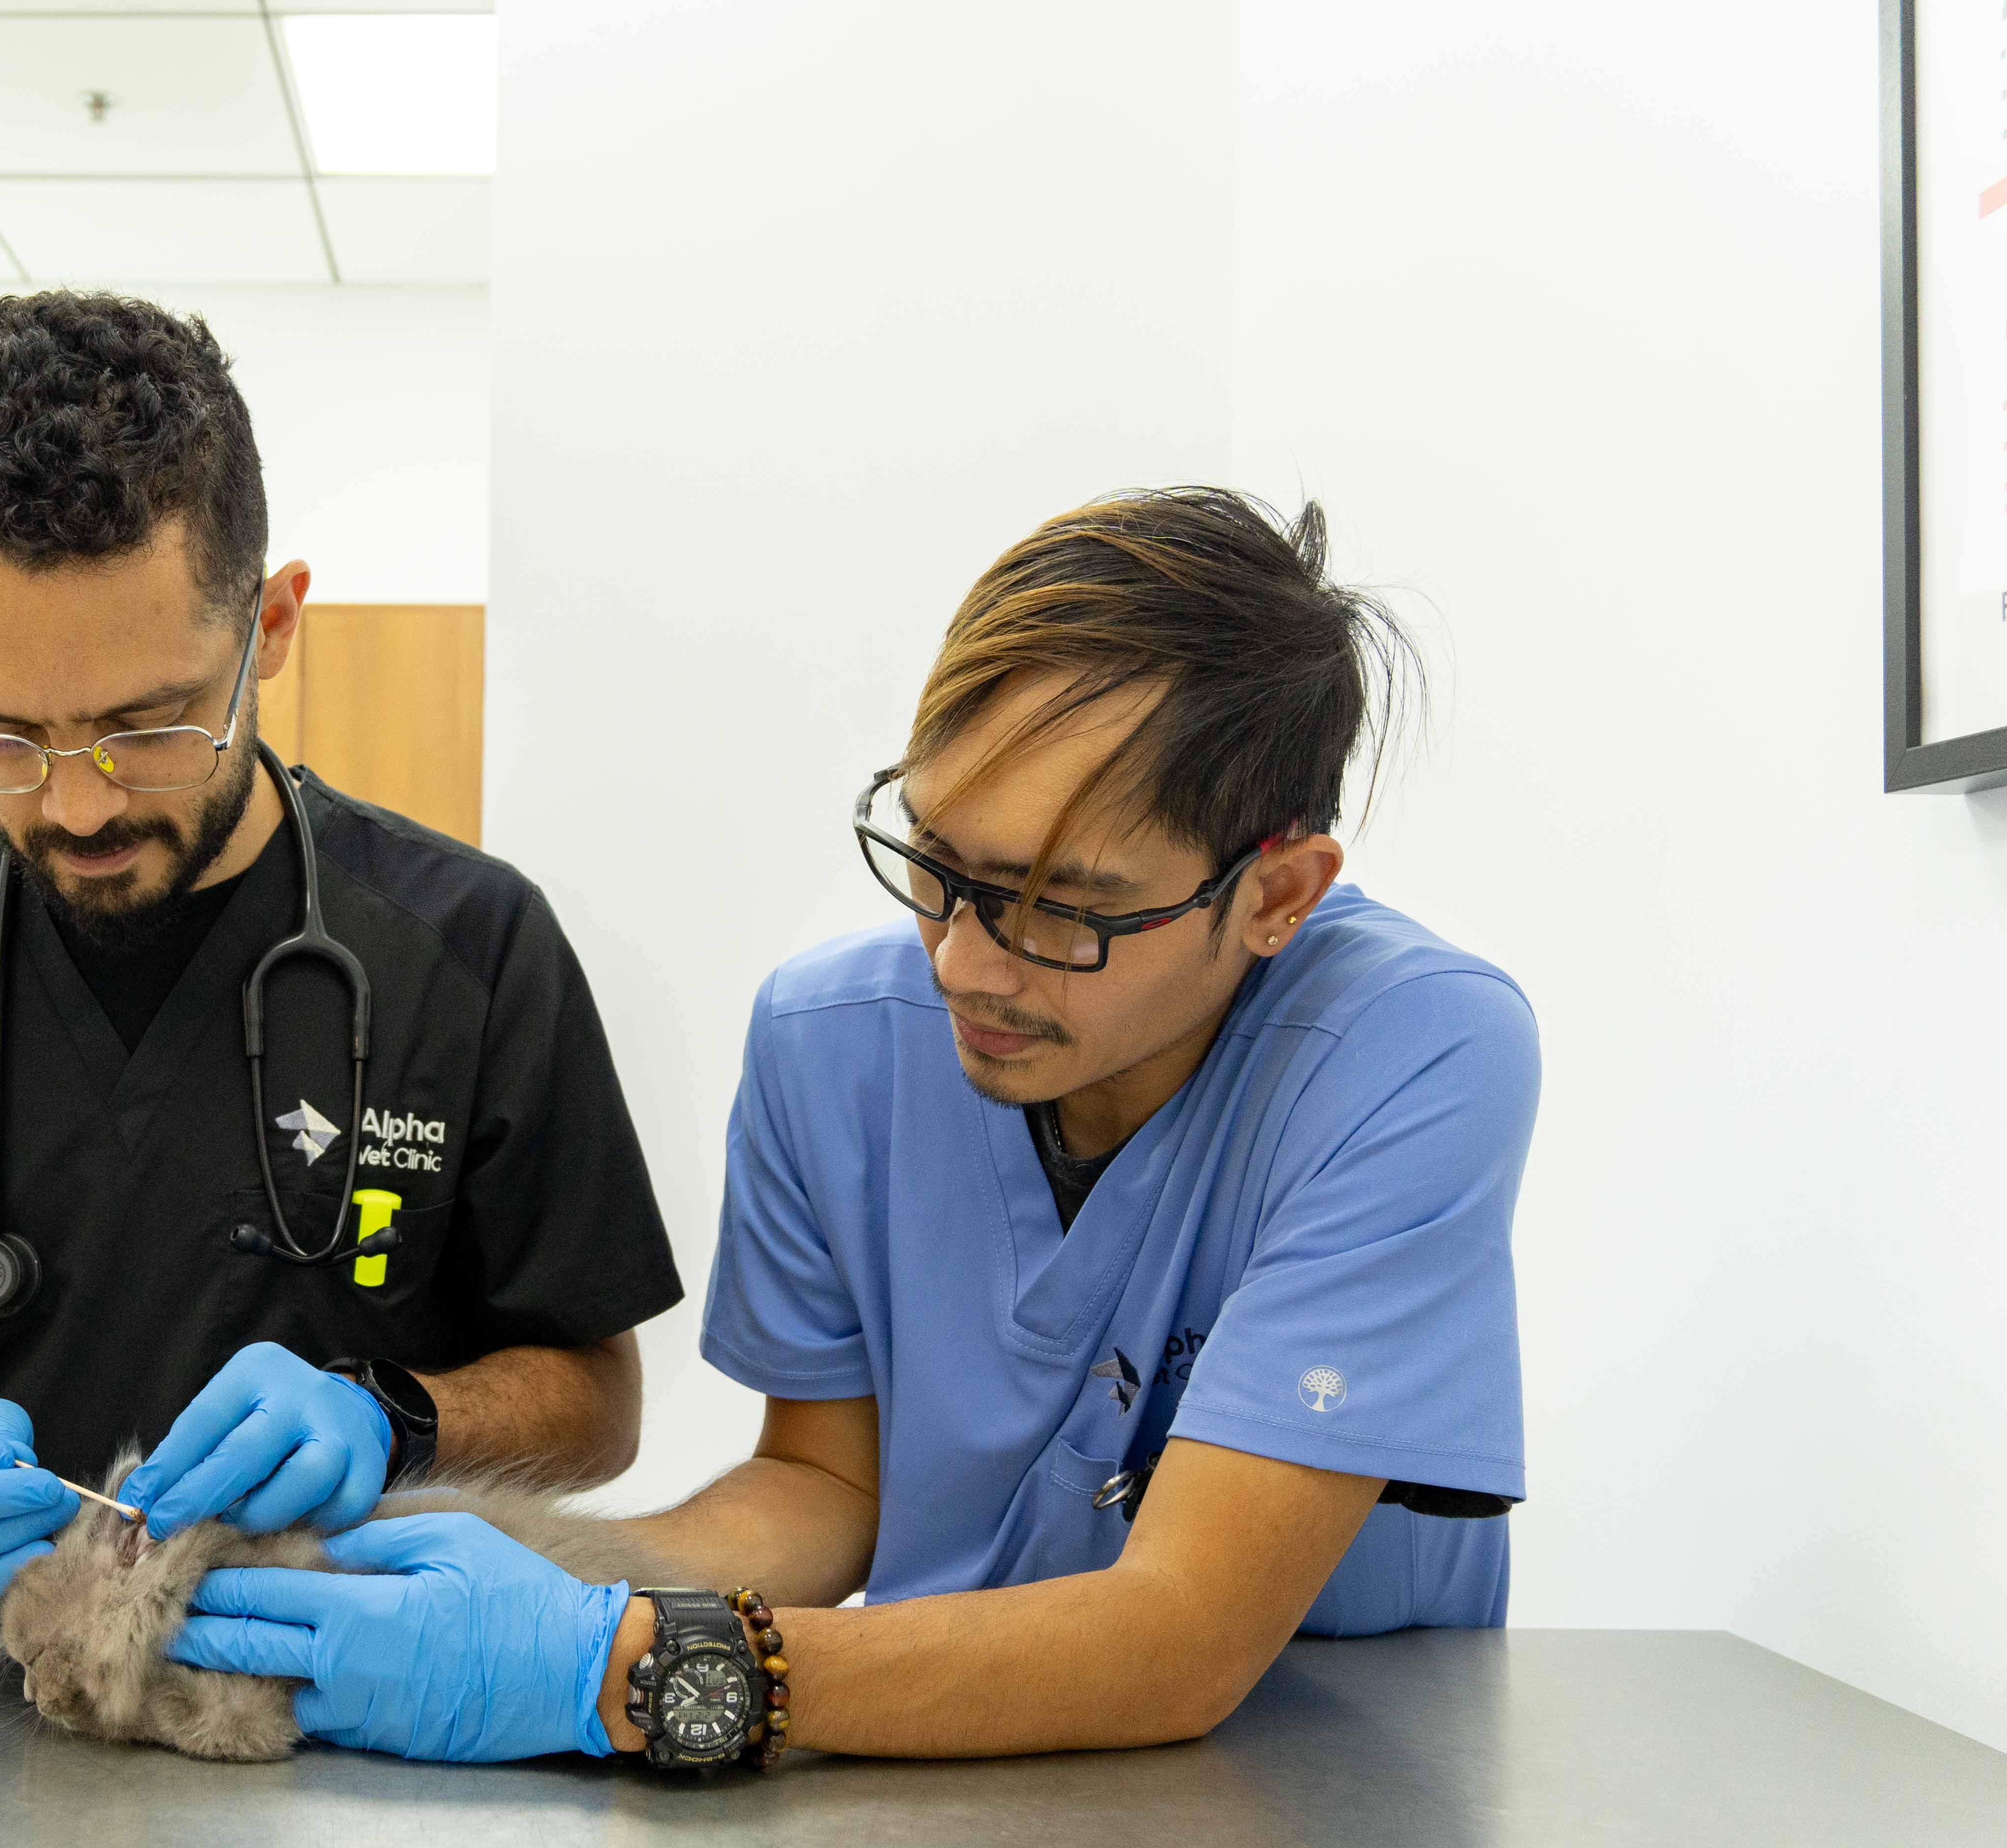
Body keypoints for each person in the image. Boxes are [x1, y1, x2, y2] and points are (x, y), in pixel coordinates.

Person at [171, 488, 1542, 1765]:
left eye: (1066, 906)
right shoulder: (831, 1042)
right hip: (949, 1768)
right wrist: (508, 1572)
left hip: (1328, 1799)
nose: (962, 965)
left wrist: (630, 1673)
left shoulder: (1414, 1056)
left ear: (1279, 894)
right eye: (939, 864)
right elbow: (825, 1495)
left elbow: (1181, 1636)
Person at [0, 291, 681, 1613]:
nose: (77, 805)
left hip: (353, 1715)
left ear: (271, 628)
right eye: (2, 735)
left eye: (148, 724)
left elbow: (597, 1402)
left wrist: (395, 1420)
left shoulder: (470, 947)